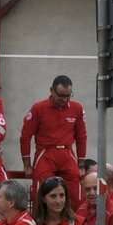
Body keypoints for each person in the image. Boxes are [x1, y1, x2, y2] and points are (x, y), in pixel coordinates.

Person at [20, 76, 86, 207]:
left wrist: (81, 165)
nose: (65, 99)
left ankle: (74, 224)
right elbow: (25, 136)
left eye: (68, 95)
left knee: (75, 192)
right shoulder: (39, 108)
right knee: (40, 191)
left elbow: (82, 136)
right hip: (45, 153)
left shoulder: (77, 108)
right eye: (61, 95)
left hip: (67, 153)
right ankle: (42, 223)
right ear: (51, 91)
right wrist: (26, 164)